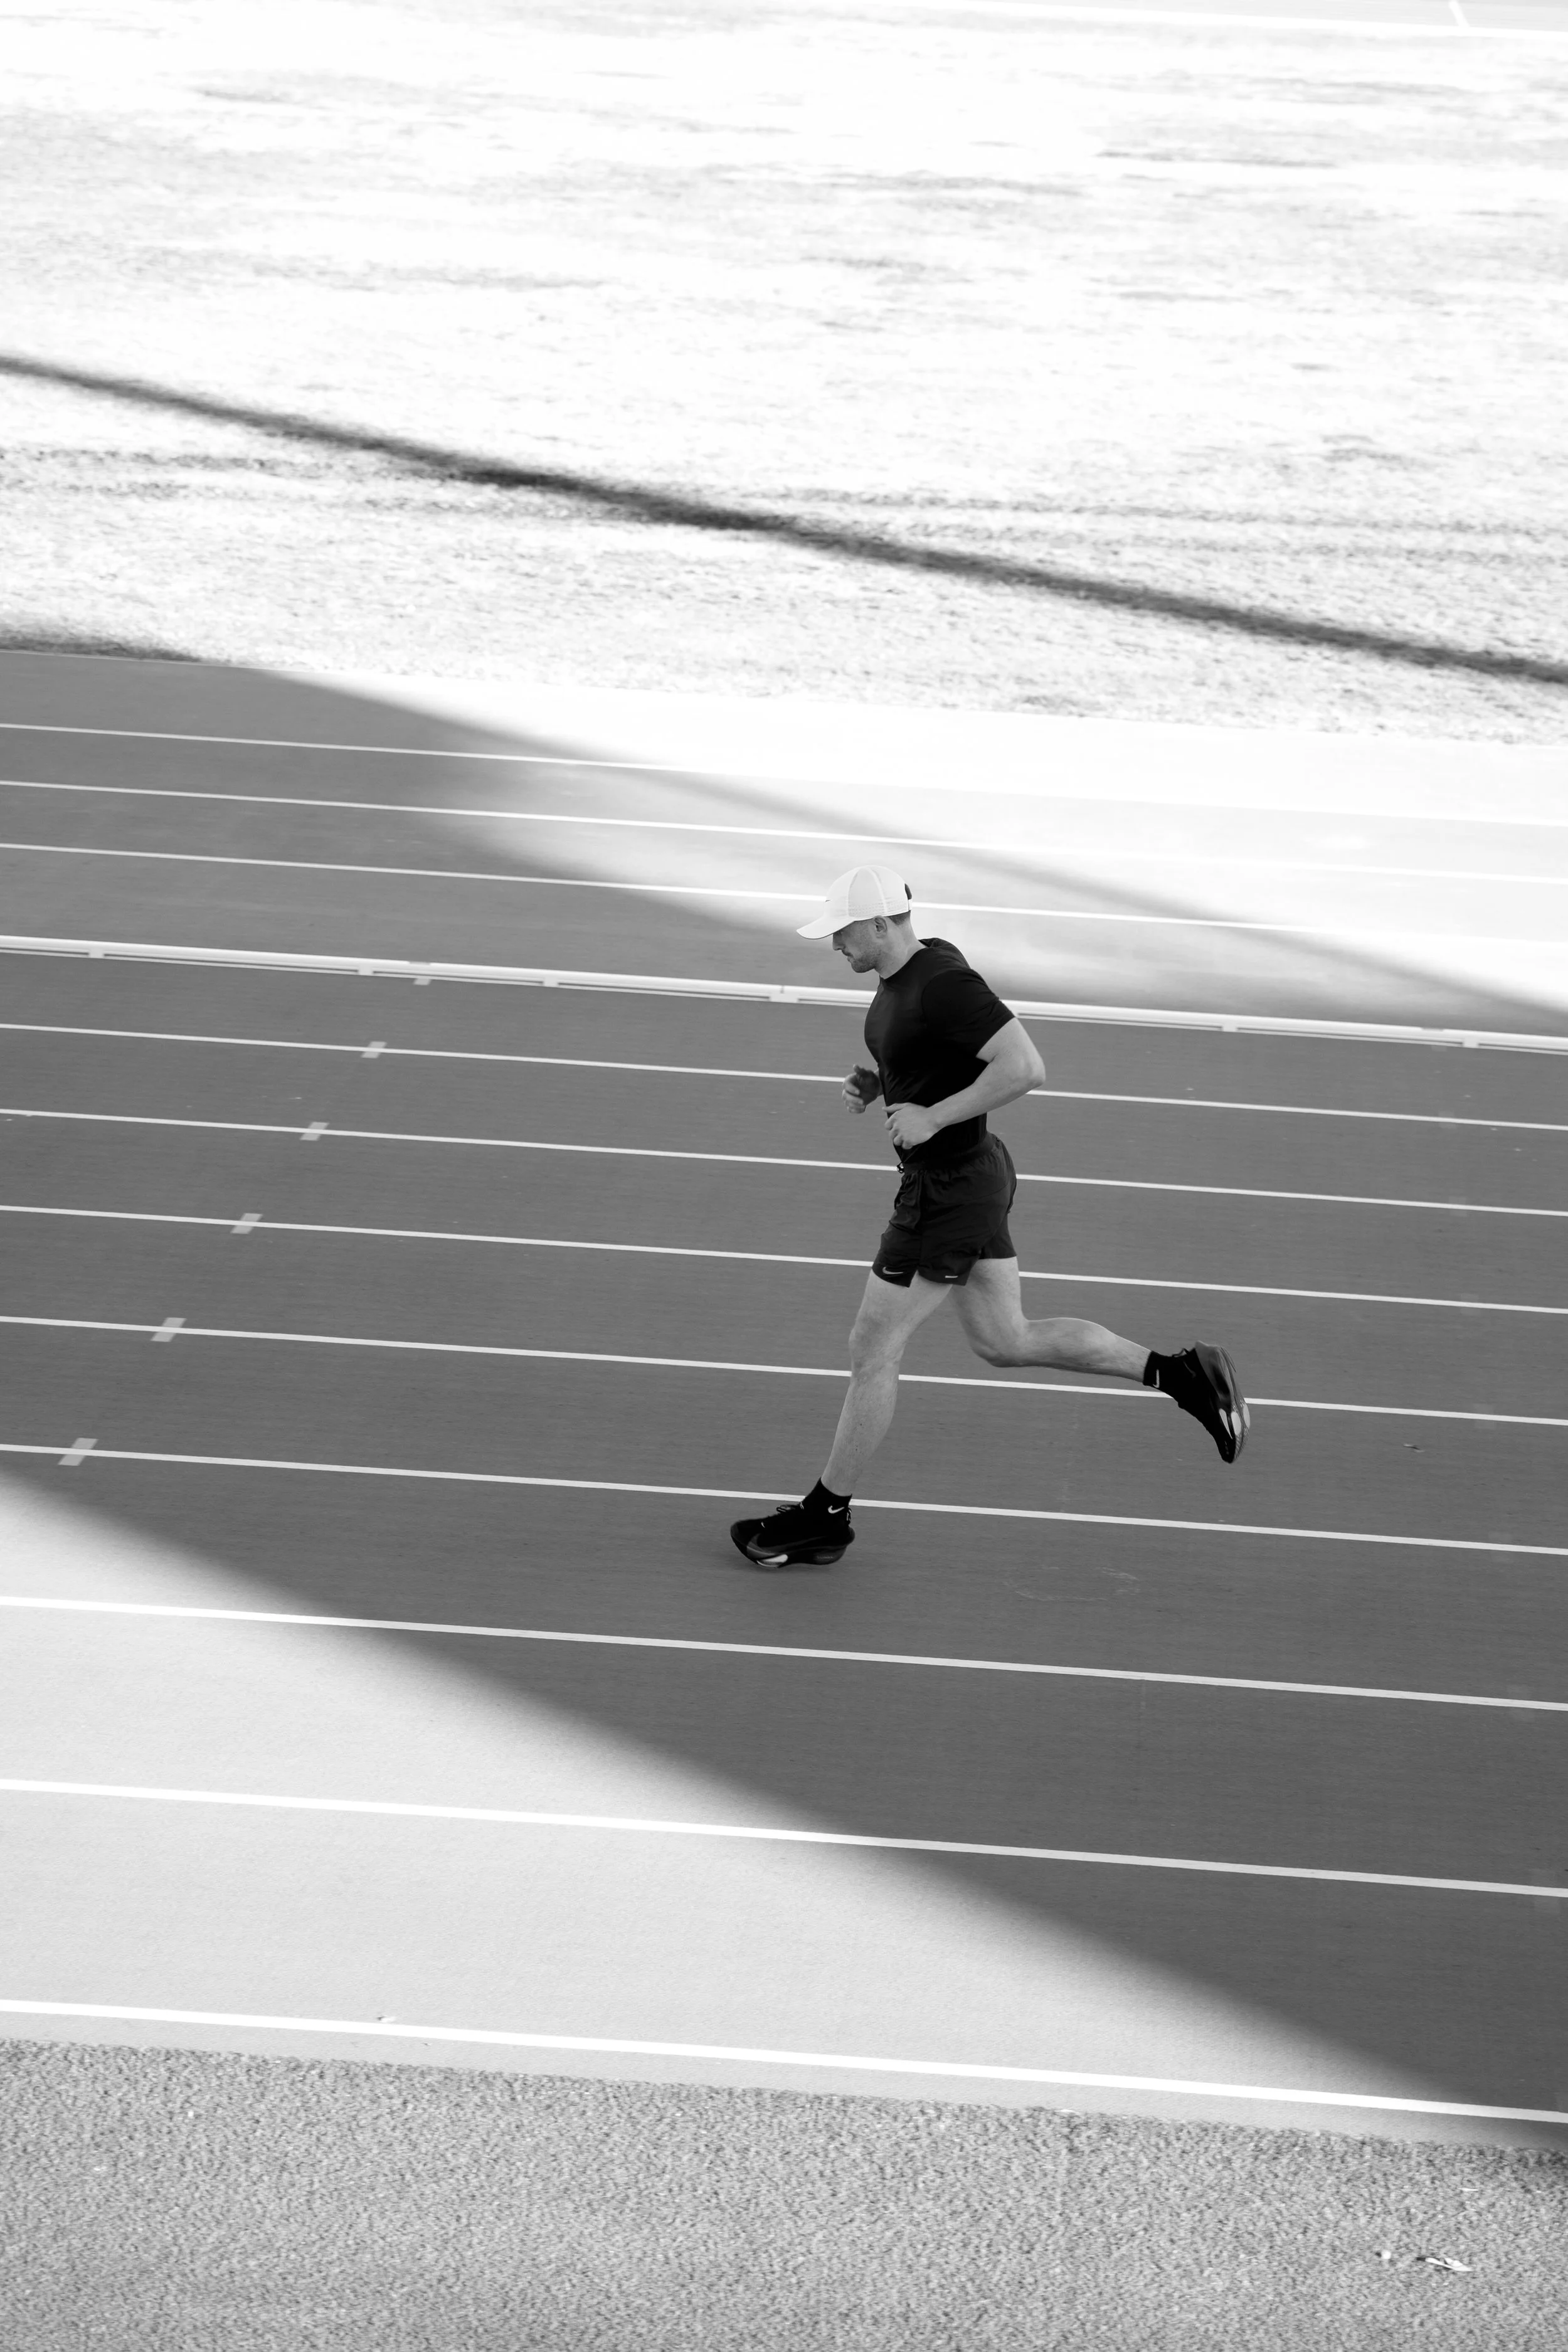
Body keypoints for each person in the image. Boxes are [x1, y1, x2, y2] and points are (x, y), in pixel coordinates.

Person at [730, 866, 1249, 1570]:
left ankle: (825, 1516)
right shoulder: (922, 966)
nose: (835, 944)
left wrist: (932, 1115)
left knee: (871, 1349)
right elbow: (943, 1053)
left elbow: (1025, 1065)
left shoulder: (944, 982)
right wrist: (885, 1083)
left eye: (843, 931)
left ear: (882, 924)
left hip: (947, 1190)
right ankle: (1180, 1373)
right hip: (967, 1179)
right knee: (1006, 1339)